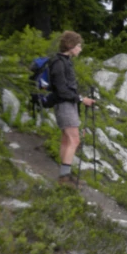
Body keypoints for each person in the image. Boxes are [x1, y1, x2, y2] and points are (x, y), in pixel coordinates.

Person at [48, 31, 95, 186]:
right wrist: (82, 99)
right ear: (70, 45)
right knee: (74, 139)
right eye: (78, 45)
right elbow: (61, 90)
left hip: (67, 104)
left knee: (66, 140)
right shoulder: (59, 63)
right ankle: (64, 178)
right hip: (64, 104)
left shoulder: (64, 61)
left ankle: (64, 174)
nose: (80, 48)